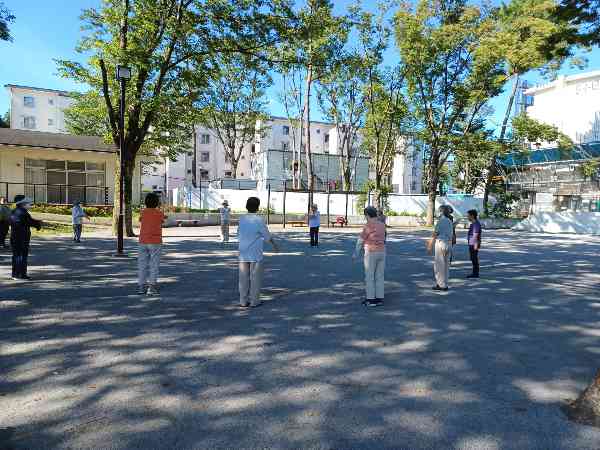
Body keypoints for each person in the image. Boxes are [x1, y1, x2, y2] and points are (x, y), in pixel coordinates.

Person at [238, 196, 279, 308]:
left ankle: (243, 301)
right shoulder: (259, 220)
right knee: (255, 278)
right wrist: (275, 246)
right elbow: (267, 236)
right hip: (255, 252)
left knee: (243, 278)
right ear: (257, 207)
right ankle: (254, 301)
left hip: (243, 251)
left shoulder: (242, 218)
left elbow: (239, 233)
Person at [353, 206, 386, 307]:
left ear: (367, 215)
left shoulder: (368, 225)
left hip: (371, 253)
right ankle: (379, 298)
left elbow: (360, 240)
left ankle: (370, 299)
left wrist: (355, 253)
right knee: (379, 276)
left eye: (365, 215)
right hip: (382, 252)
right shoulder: (382, 225)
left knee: (370, 276)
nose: (365, 217)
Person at [137, 193, 167, 296]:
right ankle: (152, 287)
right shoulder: (159, 213)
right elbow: (163, 220)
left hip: (143, 240)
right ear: (157, 202)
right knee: (154, 264)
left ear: (146, 202)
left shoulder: (143, 212)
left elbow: (141, 220)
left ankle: (141, 287)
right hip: (155, 241)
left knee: (142, 264)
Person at [9, 195, 42, 280]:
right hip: (21, 238)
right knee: (20, 256)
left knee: (18, 256)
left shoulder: (15, 211)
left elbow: (28, 221)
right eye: (29, 204)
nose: (30, 205)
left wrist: (36, 223)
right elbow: (29, 222)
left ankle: (18, 274)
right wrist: (38, 224)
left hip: (17, 237)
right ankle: (19, 274)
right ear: (23, 204)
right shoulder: (22, 213)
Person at [427, 205, 454, 291]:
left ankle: (440, 284)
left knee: (439, 265)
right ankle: (445, 284)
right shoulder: (450, 221)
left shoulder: (441, 221)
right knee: (446, 265)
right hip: (449, 244)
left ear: (441, 212)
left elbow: (435, 234)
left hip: (441, 243)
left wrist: (430, 245)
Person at [467, 209, 482, 278]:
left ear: (472, 216)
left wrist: (475, 244)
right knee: (473, 258)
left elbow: (475, 235)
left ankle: (475, 273)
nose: (467, 217)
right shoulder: (473, 224)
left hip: (474, 244)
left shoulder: (476, 224)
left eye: (468, 216)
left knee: (474, 258)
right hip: (471, 243)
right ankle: (475, 273)